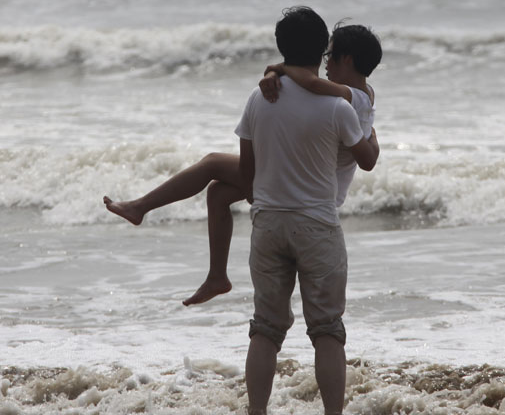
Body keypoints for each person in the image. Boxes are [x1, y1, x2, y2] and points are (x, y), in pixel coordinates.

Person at [103, 21, 382, 306]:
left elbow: (310, 83)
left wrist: (278, 69)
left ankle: (140, 207)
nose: (325, 65)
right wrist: (277, 70)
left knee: (212, 162)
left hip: (305, 186)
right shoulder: (364, 94)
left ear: (347, 60)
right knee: (218, 193)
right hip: (301, 182)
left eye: (330, 56)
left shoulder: (351, 98)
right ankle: (216, 277)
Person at [234, 6, 376, 415]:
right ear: (322, 52)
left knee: (266, 327)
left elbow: (246, 173)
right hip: (316, 223)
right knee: (327, 329)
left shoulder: (260, 97)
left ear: (281, 48)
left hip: (269, 221)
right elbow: (367, 158)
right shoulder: (337, 106)